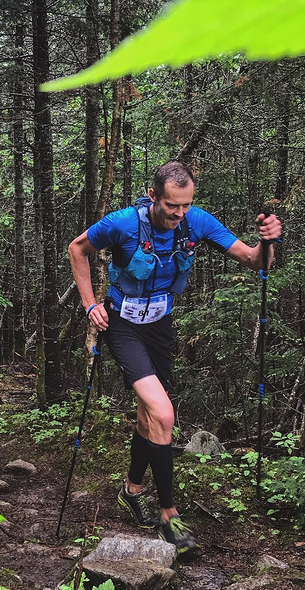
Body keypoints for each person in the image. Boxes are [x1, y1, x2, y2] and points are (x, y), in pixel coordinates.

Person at [68, 162, 282, 554]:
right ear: (154, 197)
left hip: (160, 326)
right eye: (171, 206)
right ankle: (169, 515)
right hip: (122, 324)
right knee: (164, 415)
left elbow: (255, 261)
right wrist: (89, 305)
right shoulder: (122, 224)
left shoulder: (197, 221)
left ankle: (131, 491)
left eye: (186, 205)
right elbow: (77, 248)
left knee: (149, 416)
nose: (179, 213)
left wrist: (268, 242)